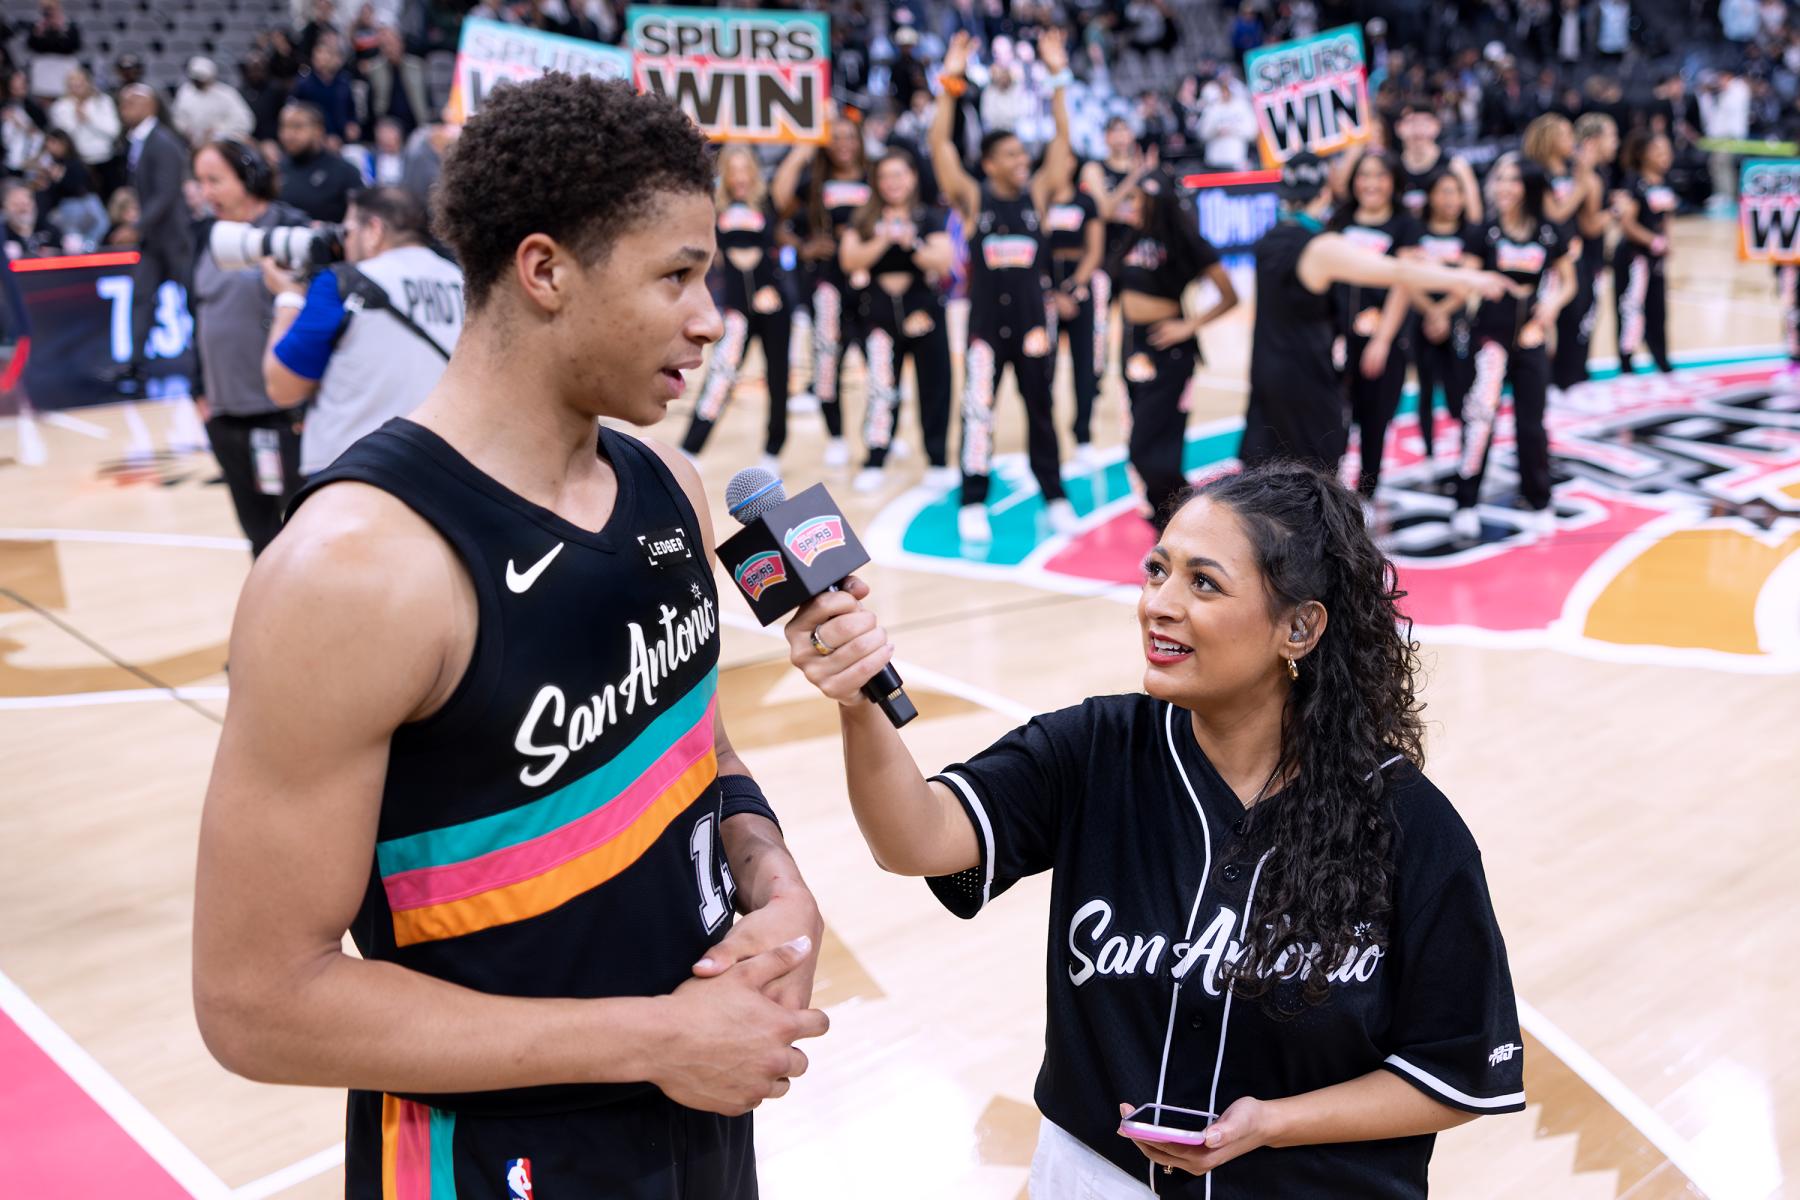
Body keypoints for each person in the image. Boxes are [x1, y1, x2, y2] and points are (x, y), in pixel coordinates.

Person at [195, 75, 828, 1200]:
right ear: (545, 271)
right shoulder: (355, 570)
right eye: (676, 276)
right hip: (486, 1159)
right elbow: (257, 1003)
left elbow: (700, 751)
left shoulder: (669, 485)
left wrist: (771, 878)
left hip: (697, 1110)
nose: (709, 319)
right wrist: (651, 1040)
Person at [783, 460, 1527, 1198]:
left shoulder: (1408, 826)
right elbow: (916, 840)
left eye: (1204, 584)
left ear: (1299, 627)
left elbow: (1458, 1071)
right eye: (1157, 571)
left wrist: (1271, 1123)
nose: (1158, 605)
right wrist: (857, 702)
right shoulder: (1094, 749)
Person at [1240, 152, 1517, 474]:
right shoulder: (1321, 245)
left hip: (1267, 368)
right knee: (1311, 472)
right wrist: (1470, 279)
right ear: (1326, 192)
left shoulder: (1269, 240)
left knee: (1267, 471)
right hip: (1307, 374)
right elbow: (1398, 271)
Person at [931, 29, 1079, 543]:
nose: (1022, 161)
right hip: (985, 328)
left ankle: (1055, 495)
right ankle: (973, 499)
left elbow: (1061, 142)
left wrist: (1057, 75)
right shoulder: (974, 198)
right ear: (990, 162)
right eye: (1012, 155)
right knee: (978, 414)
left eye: (1022, 154)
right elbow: (939, 145)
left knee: (1041, 411)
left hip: (1034, 325)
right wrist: (950, 80)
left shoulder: (1037, 195)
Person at [262, 186, 464, 480]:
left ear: (373, 230)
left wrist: (288, 298)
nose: (343, 242)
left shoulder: (342, 283)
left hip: (353, 471)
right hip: (447, 467)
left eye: (348, 231)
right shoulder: (463, 283)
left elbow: (282, 387)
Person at [189, 138, 311, 555]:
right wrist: (198, 389)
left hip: (282, 417)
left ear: (249, 177)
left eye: (215, 180)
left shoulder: (289, 228)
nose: (206, 192)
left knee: (300, 537)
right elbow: (199, 315)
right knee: (259, 539)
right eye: (200, 181)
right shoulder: (205, 235)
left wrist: (306, 405)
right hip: (225, 415)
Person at [1450, 154, 1576, 540]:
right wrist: (1480, 282)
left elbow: (1568, 282)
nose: (1503, 187)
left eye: (1513, 180)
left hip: (1532, 338)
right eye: (1500, 179)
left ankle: (1539, 500)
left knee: (1531, 425)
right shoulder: (1483, 231)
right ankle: (1466, 502)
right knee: (1480, 420)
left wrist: (1552, 305)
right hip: (1489, 340)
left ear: (1530, 187)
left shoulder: (1549, 232)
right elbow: (1464, 278)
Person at [1112, 169, 1236, 524]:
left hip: (1169, 350)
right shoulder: (1131, 236)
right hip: (1134, 348)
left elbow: (1229, 296)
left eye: (1141, 198)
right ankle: (1165, 522)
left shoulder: (1184, 239)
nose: (1134, 204)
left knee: (1150, 452)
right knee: (1143, 448)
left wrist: (1188, 326)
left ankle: (1187, 517)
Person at [839, 148, 956, 491]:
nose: (892, 182)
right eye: (885, 176)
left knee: (935, 386)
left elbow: (944, 262)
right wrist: (883, 239)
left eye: (899, 175)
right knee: (881, 388)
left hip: (924, 313)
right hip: (878, 314)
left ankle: (937, 460)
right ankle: (876, 458)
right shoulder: (864, 218)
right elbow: (849, 259)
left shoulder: (928, 216)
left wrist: (911, 242)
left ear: (913, 178)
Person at [681, 145, 797, 468]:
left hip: (774, 304)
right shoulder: (712, 208)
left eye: (746, 169)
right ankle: (691, 448)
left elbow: (792, 168)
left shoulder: (768, 202)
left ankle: (773, 450)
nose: (740, 177)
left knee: (778, 378)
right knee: (721, 374)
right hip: (736, 309)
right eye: (733, 171)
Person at [773, 117, 870, 466]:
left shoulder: (875, 178)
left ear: (860, 140)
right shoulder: (813, 182)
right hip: (827, 285)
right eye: (836, 137)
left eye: (849, 137)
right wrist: (803, 247)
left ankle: (880, 440)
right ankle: (837, 438)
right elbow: (778, 206)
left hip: (870, 286)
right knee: (827, 363)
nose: (843, 143)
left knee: (880, 366)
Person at [1329, 150, 1420, 500]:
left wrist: (1382, 340)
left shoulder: (1405, 224)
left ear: (1394, 182)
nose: (1371, 183)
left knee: (1373, 422)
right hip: (1337, 339)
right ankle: (1328, 493)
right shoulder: (1341, 218)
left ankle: (1366, 494)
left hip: (1383, 341)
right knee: (1333, 420)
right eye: (1364, 175)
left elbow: (1404, 284)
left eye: (1380, 176)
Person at [117, 84, 194, 391]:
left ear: (149, 105)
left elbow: (166, 193)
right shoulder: (139, 141)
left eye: (130, 102)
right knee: (140, 297)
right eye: (122, 103)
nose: (123, 108)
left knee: (193, 300)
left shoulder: (163, 141)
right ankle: (135, 366)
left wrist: (136, 225)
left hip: (174, 236)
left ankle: (205, 363)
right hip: (153, 239)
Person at [1406, 170, 1479, 463]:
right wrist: (1429, 310)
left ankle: (1466, 453)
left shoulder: (1470, 233)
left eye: (1456, 192)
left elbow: (1468, 279)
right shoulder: (1415, 230)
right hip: (1420, 317)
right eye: (1444, 191)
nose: (1451, 199)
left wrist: (1443, 312)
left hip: (1456, 319)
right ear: (1430, 196)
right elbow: (1406, 276)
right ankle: (1428, 454)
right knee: (1425, 387)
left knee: (1460, 386)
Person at [1043, 156, 1107, 464]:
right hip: (1045, 287)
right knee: (1044, 368)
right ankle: (1045, 438)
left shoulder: (1086, 202)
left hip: (1079, 283)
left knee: (1085, 364)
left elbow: (1095, 250)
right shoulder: (1038, 199)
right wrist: (1052, 294)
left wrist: (1072, 288)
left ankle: (1083, 435)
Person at [1555, 113, 1619, 393]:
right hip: (1583, 258)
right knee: (1580, 319)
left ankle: (1571, 375)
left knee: (1579, 319)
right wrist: (1616, 211)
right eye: (1611, 136)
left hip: (1583, 258)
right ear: (1593, 141)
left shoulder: (1591, 172)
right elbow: (1590, 226)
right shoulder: (1589, 177)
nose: (1615, 143)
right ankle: (1571, 379)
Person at [1612, 130, 1677, 376]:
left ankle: (1661, 360)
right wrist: (1653, 241)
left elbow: (1666, 217)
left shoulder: (1665, 182)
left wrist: (1667, 241)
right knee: (1631, 309)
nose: (1664, 156)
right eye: (1658, 151)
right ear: (1642, 154)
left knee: (1658, 310)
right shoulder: (1634, 182)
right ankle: (1626, 362)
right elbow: (1626, 224)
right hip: (1633, 257)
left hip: (1655, 258)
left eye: (1667, 151)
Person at [1393, 101, 1481, 225]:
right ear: (1398, 128)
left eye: (1424, 123)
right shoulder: (1392, 168)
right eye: (1411, 122)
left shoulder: (1456, 166)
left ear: (1437, 126)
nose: (1418, 130)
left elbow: (1475, 217)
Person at [276, 101, 363, 222]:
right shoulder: (276, 169)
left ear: (318, 130)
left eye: (297, 126)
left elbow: (360, 219)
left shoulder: (345, 172)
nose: (287, 135)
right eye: (283, 126)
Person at [48, 67, 119, 198]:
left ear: (88, 83)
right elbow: (63, 139)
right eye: (73, 85)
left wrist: (90, 120)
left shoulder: (103, 102)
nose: (77, 88)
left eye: (80, 84)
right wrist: (76, 119)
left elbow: (113, 131)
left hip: (105, 159)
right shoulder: (60, 107)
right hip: (76, 162)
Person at [291, 32, 358, 146]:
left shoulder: (344, 81)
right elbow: (297, 114)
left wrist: (351, 124)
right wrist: (323, 137)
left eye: (326, 54)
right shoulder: (303, 84)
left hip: (342, 139)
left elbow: (350, 110)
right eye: (317, 54)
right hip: (314, 140)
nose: (321, 58)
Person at [173, 56, 255, 148]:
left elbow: (245, 121)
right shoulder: (185, 92)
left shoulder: (227, 93)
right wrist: (186, 130)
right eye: (196, 79)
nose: (199, 83)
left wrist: (219, 132)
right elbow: (178, 118)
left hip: (223, 143)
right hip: (193, 145)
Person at [2, 178, 60, 258]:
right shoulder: (3, 235)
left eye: (26, 203)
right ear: (5, 207)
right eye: (16, 204)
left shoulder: (48, 229)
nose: (23, 209)